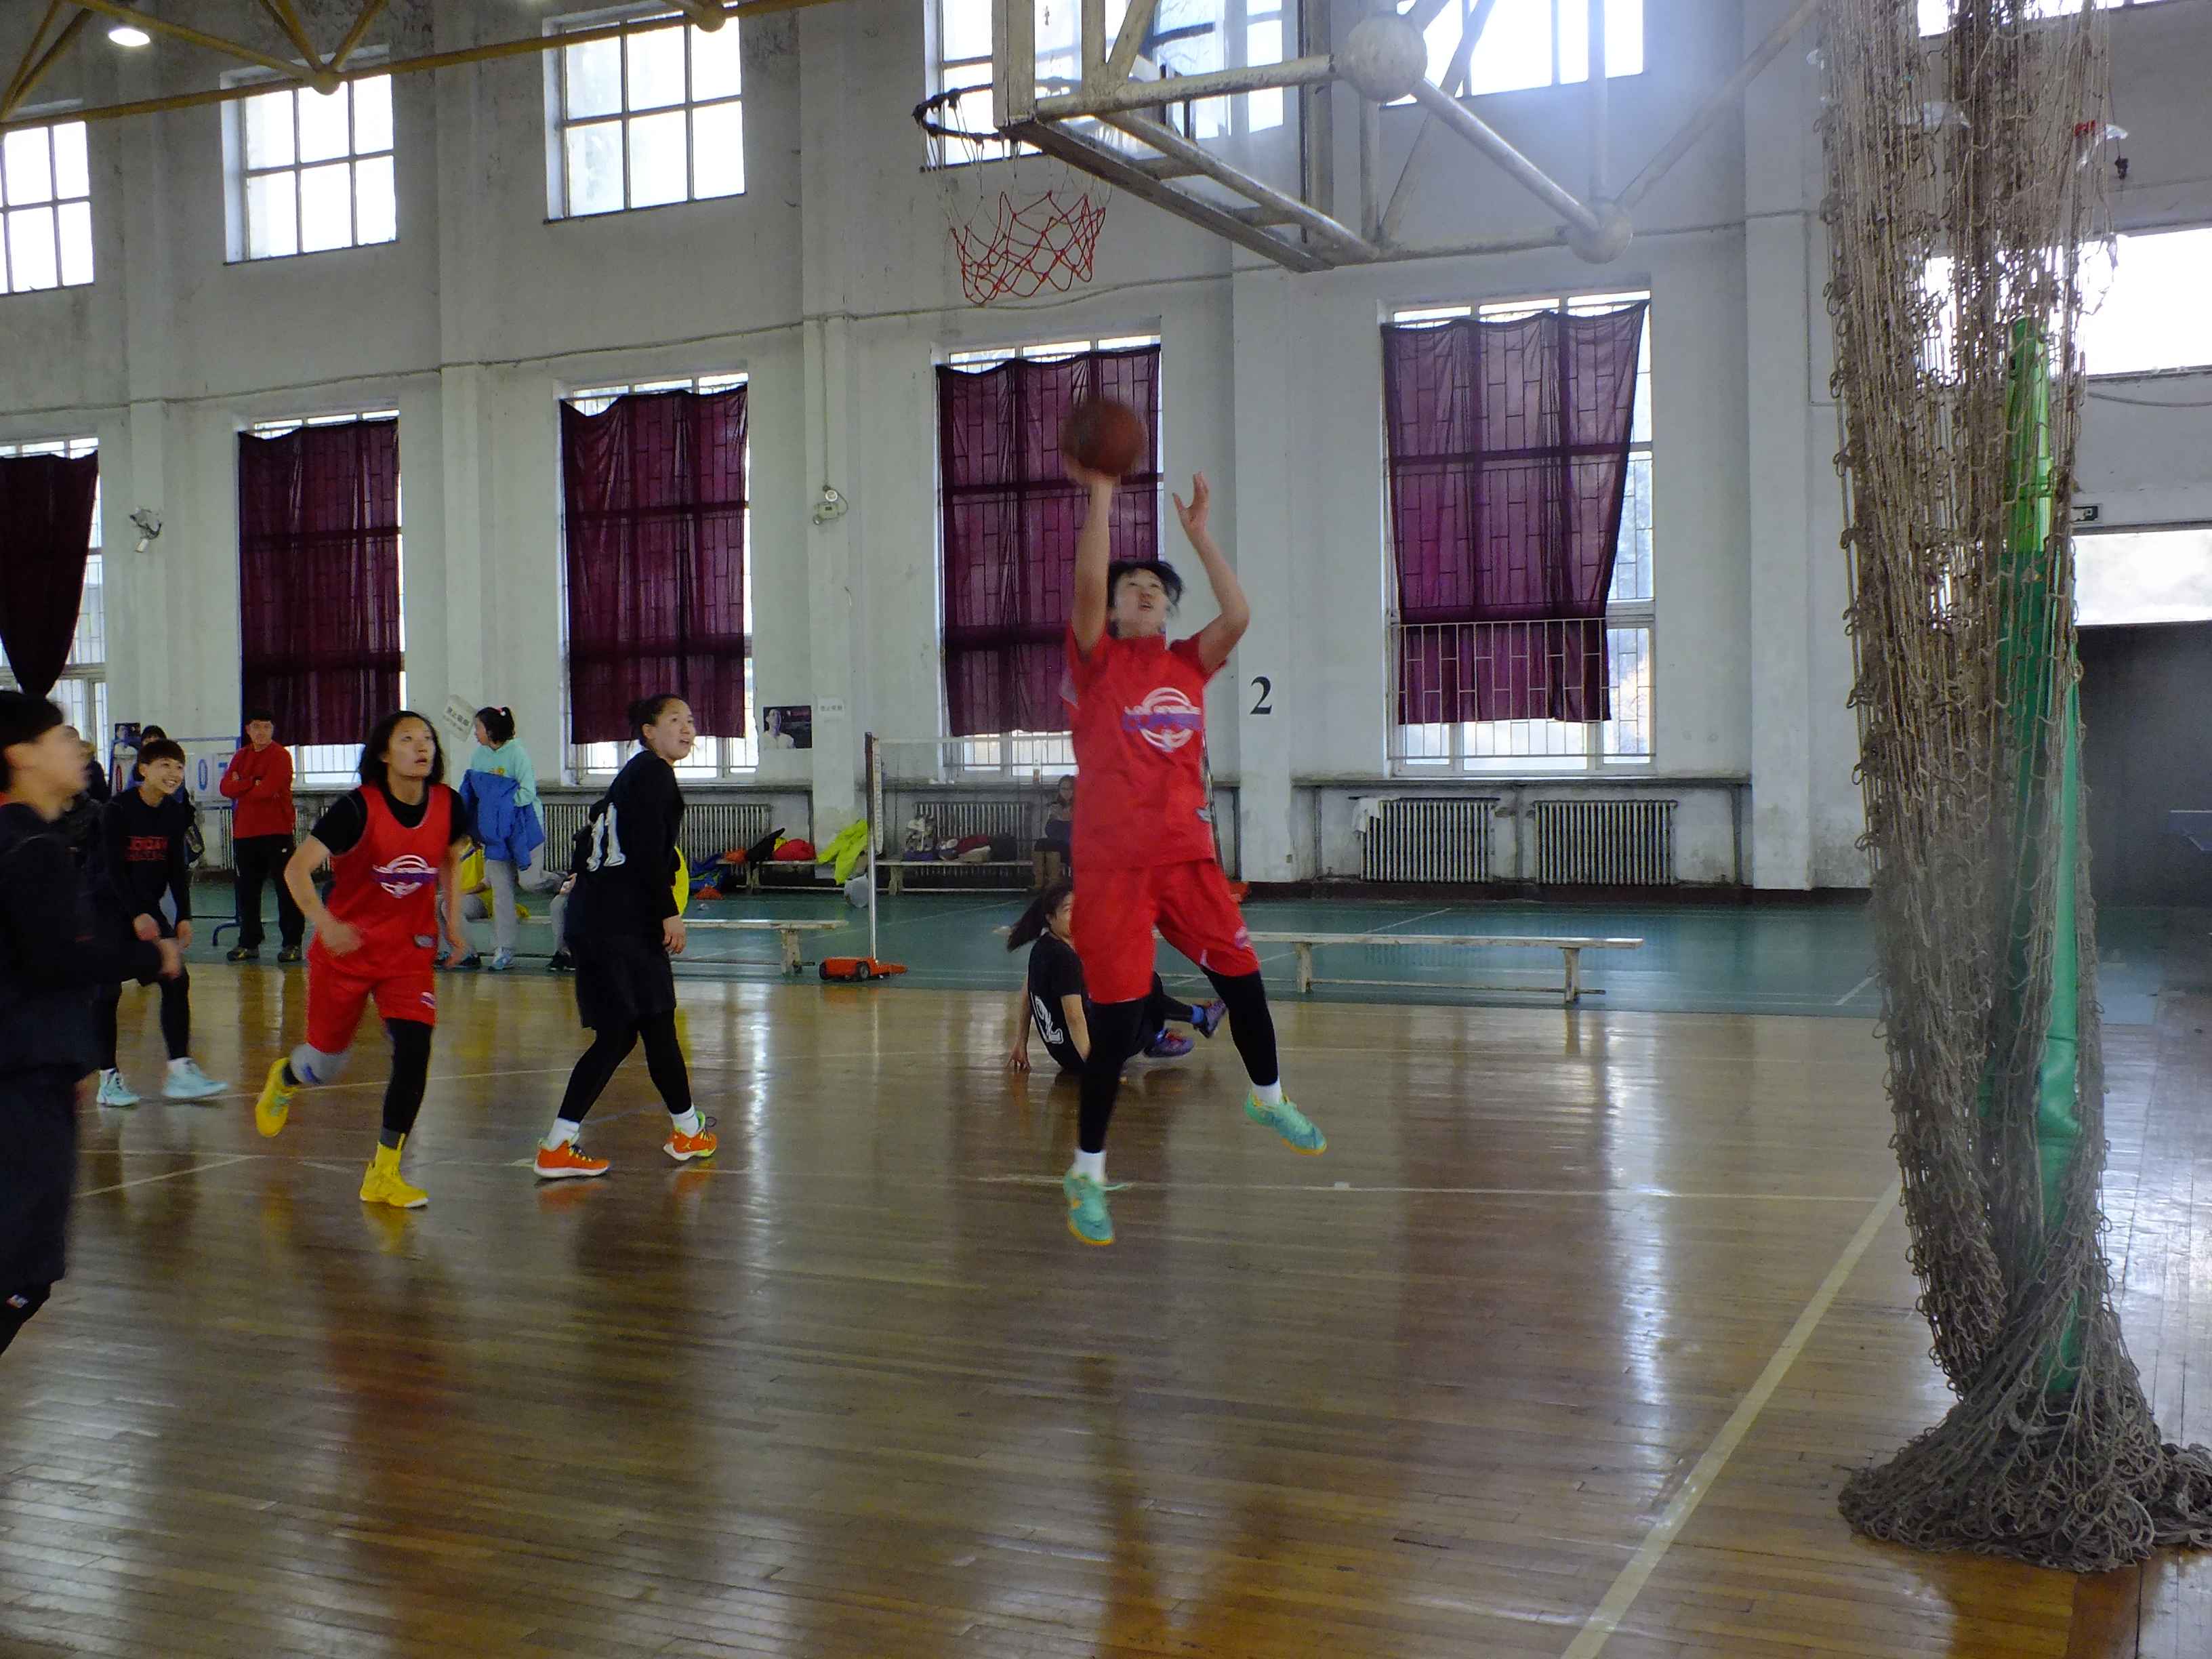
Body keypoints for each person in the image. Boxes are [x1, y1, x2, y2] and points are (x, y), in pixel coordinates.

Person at [1054, 464, 1324, 1247]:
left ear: (1168, 609)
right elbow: (1087, 581)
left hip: (1187, 861)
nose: (1143, 592)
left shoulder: (1186, 663)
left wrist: (1200, 535)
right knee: (1115, 1028)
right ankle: (1088, 1173)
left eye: (1154, 588)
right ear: (1111, 609)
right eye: (1130, 586)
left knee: (1245, 984)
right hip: (1113, 870)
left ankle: (1267, 1098)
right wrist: (1103, 493)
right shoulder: (1095, 663)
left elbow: (1238, 614)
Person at [1, 693, 180, 1361]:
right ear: (20, 755)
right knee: (22, 1276)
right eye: (59, 738)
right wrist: (151, 957)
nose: (76, 748)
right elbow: (57, 960)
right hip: (22, 1080)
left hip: (32, 1070)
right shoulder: (32, 847)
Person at [253, 712, 473, 1209]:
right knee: (325, 1065)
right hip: (346, 953)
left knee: (415, 1049)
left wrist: (453, 922)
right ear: (384, 754)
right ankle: (285, 1078)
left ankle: (385, 1172)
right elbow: (296, 869)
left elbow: (449, 857)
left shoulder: (448, 803)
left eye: (428, 738)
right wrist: (325, 923)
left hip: (408, 953)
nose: (422, 747)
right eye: (407, 739)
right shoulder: (356, 808)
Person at [532, 693, 717, 1179]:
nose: (687, 728)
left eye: (690, 720)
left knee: (643, 1029)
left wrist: (581, 874)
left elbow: (591, 831)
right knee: (635, 1031)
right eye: (674, 720)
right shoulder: (654, 775)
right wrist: (669, 913)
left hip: (599, 921)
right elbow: (648, 853)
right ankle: (561, 1145)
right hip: (620, 925)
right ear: (648, 732)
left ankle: (685, 1130)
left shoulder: (630, 777)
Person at [91, 738, 226, 1107]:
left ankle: (180, 1071)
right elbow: (113, 870)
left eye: (179, 767)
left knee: (176, 977)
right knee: (106, 992)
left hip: (148, 908)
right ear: (143, 770)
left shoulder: (174, 812)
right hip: (107, 908)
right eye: (165, 765)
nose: (174, 773)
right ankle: (108, 1079)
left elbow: (176, 869)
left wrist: (184, 915)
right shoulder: (116, 810)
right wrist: (136, 913)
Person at [1005, 880, 1223, 1073]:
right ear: (1050, 918)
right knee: (1148, 986)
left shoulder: (1042, 948)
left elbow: (1028, 995)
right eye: (1069, 910)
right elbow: (1074, 1017)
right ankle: (1162, 1035)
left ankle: (1197, 1018)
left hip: (1063, 1053)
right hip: (1085, 1053)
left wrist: (1020, 1044)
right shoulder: (1065, 959)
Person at [457, 706, 548, 973]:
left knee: (530, 882)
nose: (475, 733)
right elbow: (475, 795)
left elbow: (527, 792)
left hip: (524, 828)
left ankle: (558, 881)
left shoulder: (517, 753)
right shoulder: (478, 757)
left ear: (491, 730)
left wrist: (501, 809)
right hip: (495, 835)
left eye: (478, 728)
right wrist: (478, 827)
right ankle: (504, 949)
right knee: (501, 892)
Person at [220, 708, 303, 962]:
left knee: (286, 889)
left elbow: (266, 790)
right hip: (245, 833)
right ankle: (249, 942)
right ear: (248, 730)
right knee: (247, 890)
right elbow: (225, 788)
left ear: (273, 730)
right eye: (256, 727)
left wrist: (242, 784)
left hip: (277, 832)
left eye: (267, 727)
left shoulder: (280, 756)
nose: (262, 732)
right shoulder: (241, 756)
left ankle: (292, 943)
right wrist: (251, 781)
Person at [1033, 774, 1076, 888]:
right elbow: (1050, 831)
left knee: (1051, 845)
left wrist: (1062, 819)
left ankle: (1053, 883)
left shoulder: (1080, 807)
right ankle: (1039, 882)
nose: (1066, 792)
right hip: (1058, 843)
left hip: (1074, 846)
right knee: (1041, 843)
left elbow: (1072, 833)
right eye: (1063, 789)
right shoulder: (1055, 807)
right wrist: (1054, 818)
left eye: (1070, 789)